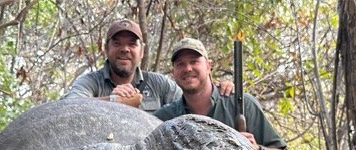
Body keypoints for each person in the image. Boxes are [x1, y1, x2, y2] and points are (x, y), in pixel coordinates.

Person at [154, 38, 287, 150]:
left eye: (194, 61)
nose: (188, 68)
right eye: (180, 64)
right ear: (173, 73)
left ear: (208, 66)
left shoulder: (243, 105)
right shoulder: (165, 118)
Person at [63, 20, 233, 113]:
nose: (125, 49)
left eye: (132, 44)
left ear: (142, 52)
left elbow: (191, 101)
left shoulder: (158, 84)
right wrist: (114, 101)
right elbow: (67, 109)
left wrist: (219, 90)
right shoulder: (91, 83)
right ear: (106, 49)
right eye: (117, 44)